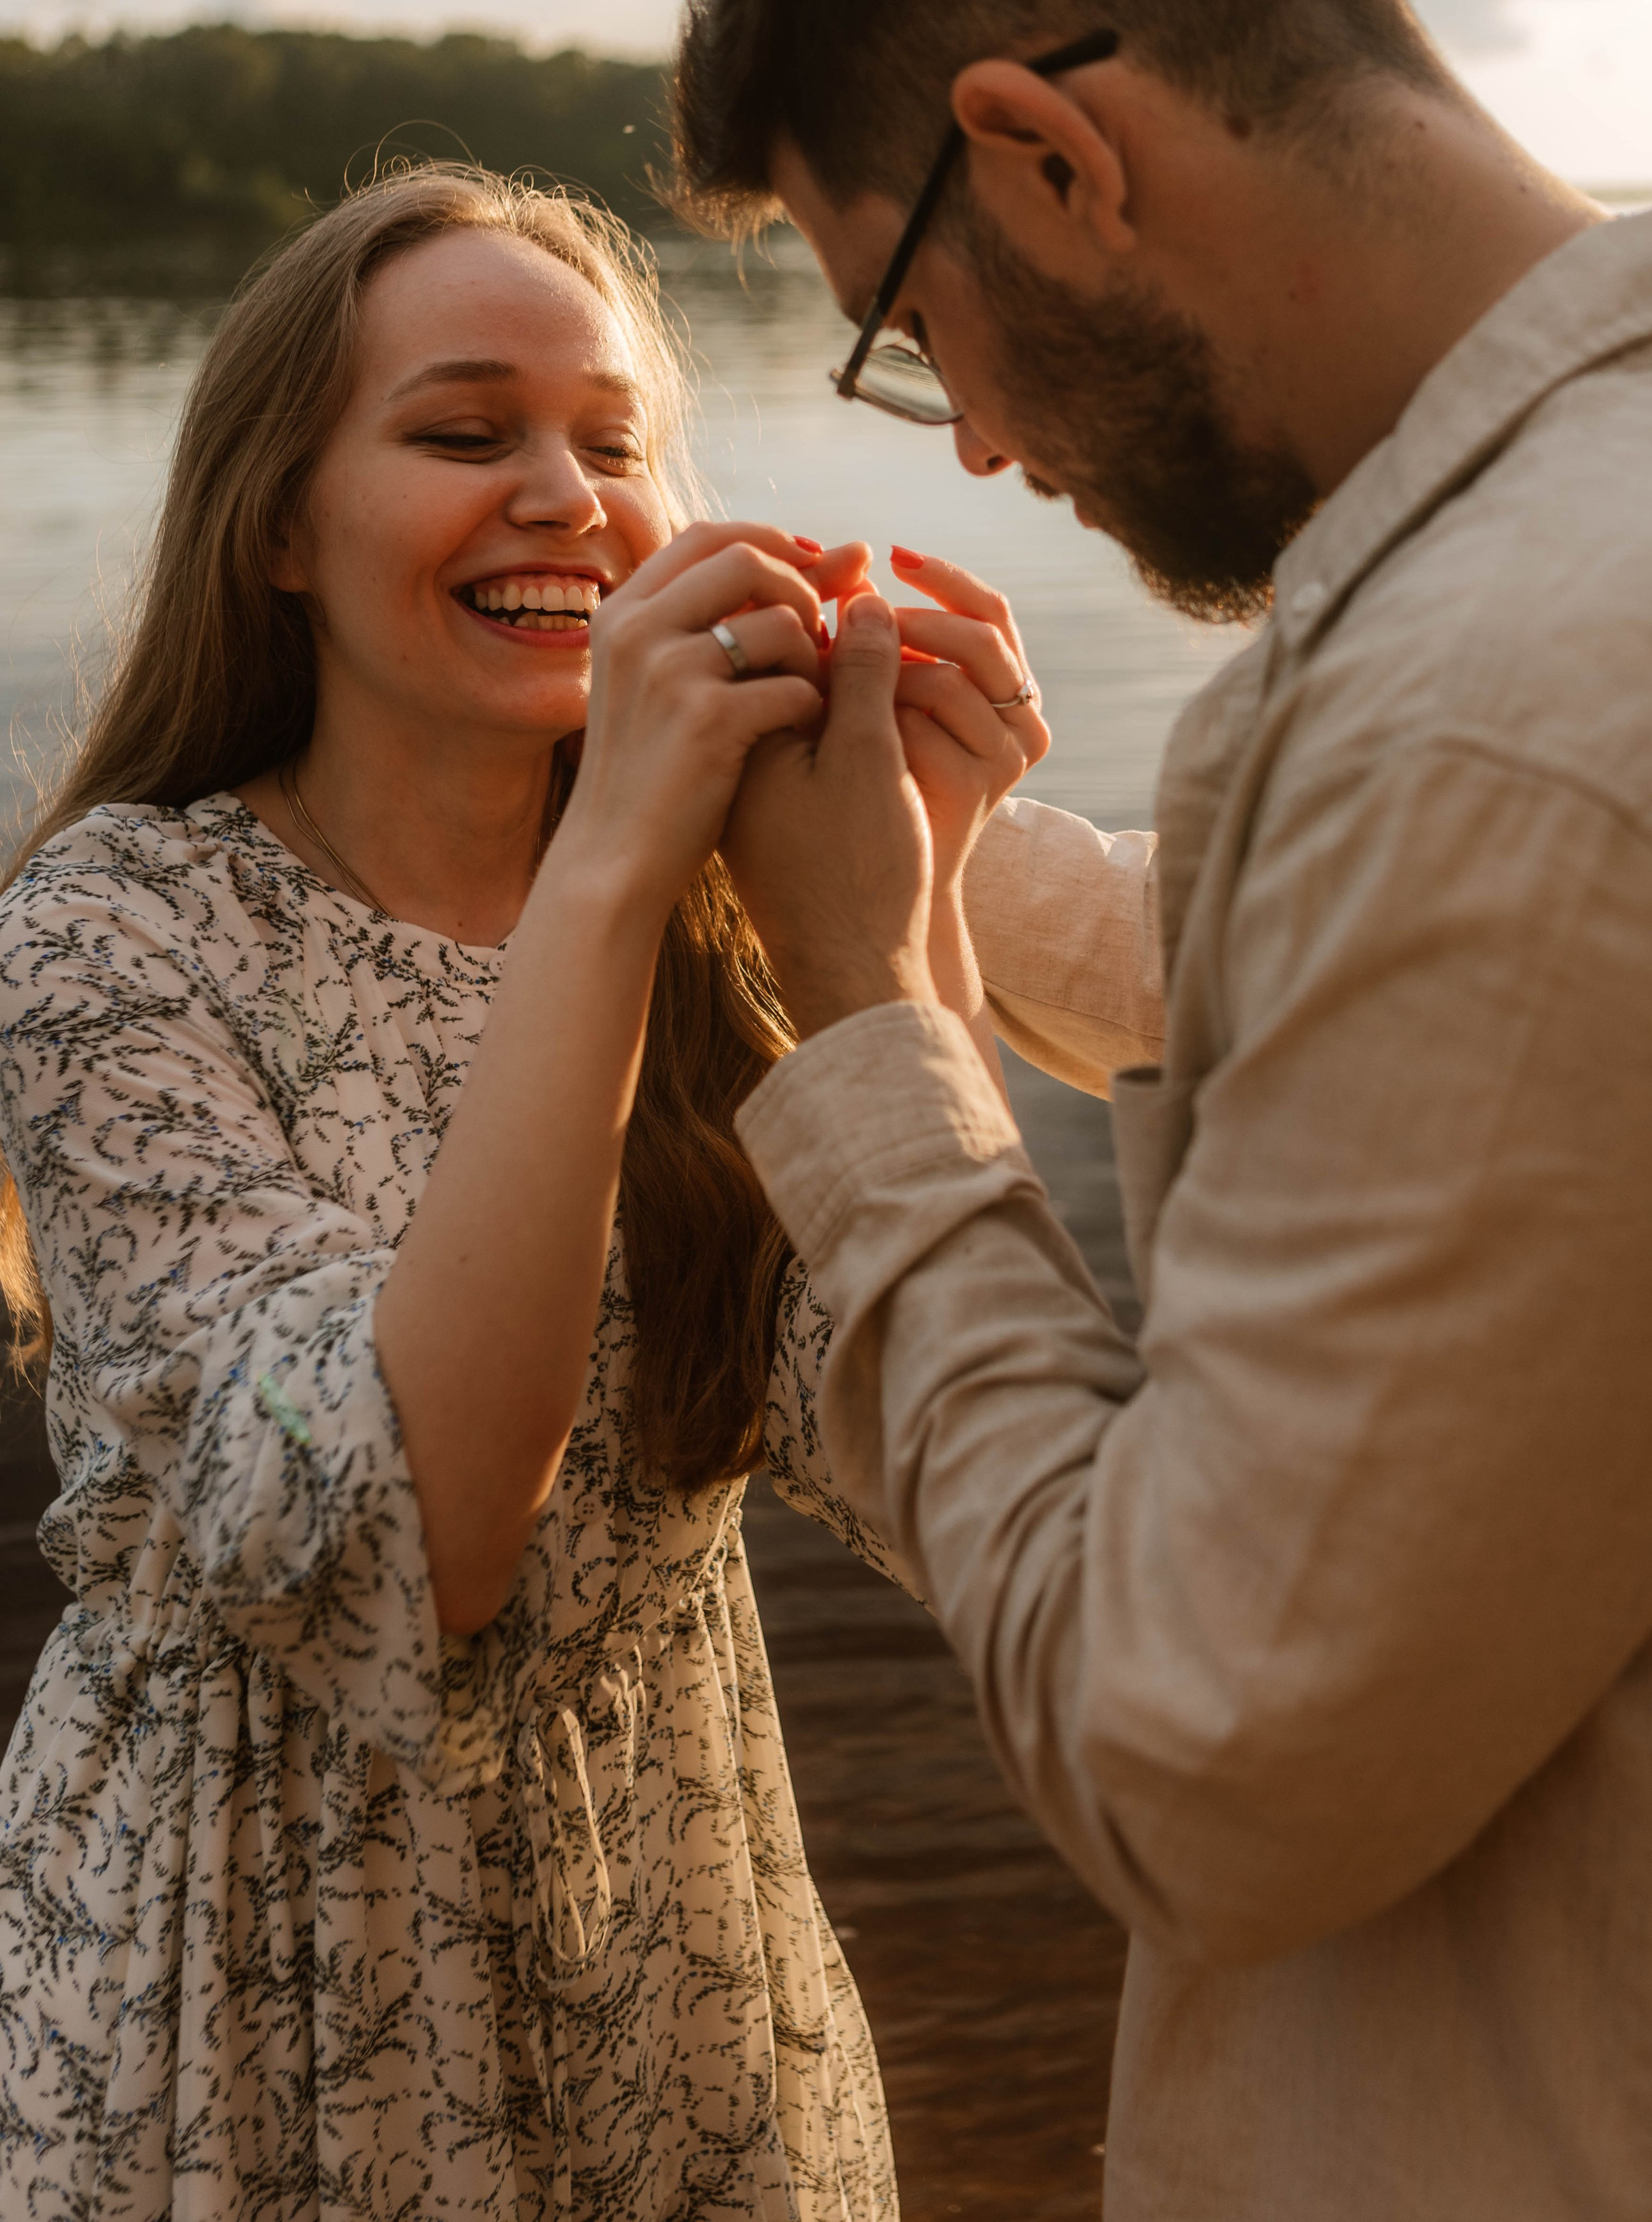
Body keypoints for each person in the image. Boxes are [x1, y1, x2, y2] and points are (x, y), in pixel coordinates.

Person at [668, 0, 1652, 2217]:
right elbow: (1527, 1067)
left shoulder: (1502, 712)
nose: (993, 444)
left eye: (919, 334)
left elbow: (1195, 1752)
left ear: (1049, 151)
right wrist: (957, 871)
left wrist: (869, 1040)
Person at [0, 165, 1044, 2221]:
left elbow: (963, 1481)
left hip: (678, 1962)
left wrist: (903, 930)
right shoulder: (109, 940)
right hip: (251, 2005)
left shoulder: (724, 931)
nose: (565, 494)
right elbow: (407, 1536)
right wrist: (615, 874)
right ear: (281, 526)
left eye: (613, 442)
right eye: (466, 434)